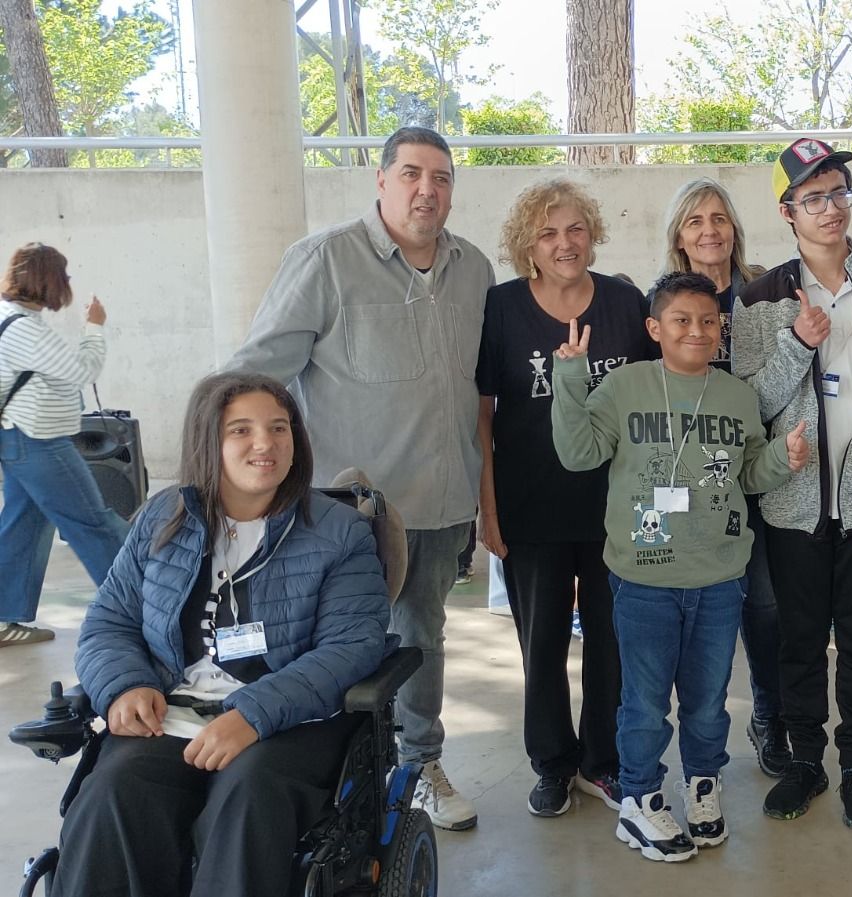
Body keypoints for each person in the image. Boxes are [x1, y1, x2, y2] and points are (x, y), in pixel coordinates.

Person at [228, 126, 493, 831]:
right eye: (411, 174)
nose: (427, 190)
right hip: (348, 513)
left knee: (421, 638)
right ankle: (330, 776)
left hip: (440, 502)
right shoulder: (325, 260)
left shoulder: (474, 269)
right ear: (381, 180)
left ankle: (419, 764)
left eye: (441, 178)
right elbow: (256, 374)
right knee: (332, 643)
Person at [53, 372, 391, 897]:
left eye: (279, 428)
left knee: (247, 798)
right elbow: (110, 620)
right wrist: (124, 686)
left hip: (290, 722)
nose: (265, 444)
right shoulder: (163, 517)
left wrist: (253, 714)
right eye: (241, 430)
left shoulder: (337, 530)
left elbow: (352, 646)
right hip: (173, 713)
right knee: (112, 793)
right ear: (207, 441)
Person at [551, 271, 807, 861]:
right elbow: (578, 453)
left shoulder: (736, 395)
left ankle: (702, 787)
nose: (697, 331)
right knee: (643, 702)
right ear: (654, 328)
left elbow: (748, 474)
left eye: (709, 321)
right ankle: (639, 800)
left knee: (708, 701)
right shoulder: (626, 386)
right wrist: (569, 376)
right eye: (682, 320)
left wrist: (783, 458)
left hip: (719, 579)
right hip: (644, 579)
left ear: (722, 329)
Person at [731, 137, 852, 831]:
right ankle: (805, 762)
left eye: (839, 192)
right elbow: (751, 405)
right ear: (787, 212)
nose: (830, 208)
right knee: (798, 643)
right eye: (812, 197)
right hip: (792, 508)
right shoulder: (759, 301)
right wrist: (798, 344)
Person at [476, 177, 655, 818]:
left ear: (593, 234)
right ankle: (552, 763)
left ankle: (601, 762)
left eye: (575, 228)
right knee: (542, 645)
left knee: (613, 643)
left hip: (616, 510)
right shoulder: (501, 308)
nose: (564, 242)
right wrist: (488, 510)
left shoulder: (625, 304)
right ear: (527, 244)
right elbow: (483, 417)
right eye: (548, 232)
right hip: (530, 509)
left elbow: (652, 401)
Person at [653, 177, 790, 775]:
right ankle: (686, 739)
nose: (709, 230)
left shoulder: (764, 296)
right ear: (679, 236)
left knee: (765, 605)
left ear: (734, 228)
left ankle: (770, 718)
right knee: (687, 611)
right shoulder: (661, 300)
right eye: (695, 220)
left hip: (758, 472)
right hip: (687, 483)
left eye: (719, 218)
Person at [0, 243, 129, 646]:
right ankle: (140, 608)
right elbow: (82, 370)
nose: (68, 283)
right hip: (38, 442)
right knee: (93, 523)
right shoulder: (23, 329)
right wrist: (95, 326)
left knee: (24, 526)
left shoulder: (14, 318)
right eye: (64, 276)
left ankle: (3, 620)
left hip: (19, 439)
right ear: (49, 280)